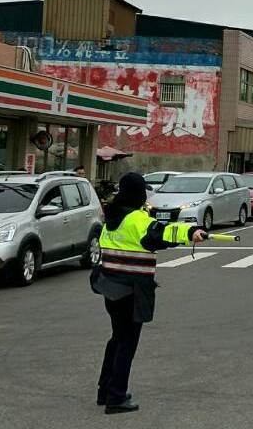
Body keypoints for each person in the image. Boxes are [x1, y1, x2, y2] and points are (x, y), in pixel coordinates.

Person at [91, 172, 207, 414]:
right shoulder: (136, 219)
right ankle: (116, 397)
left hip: (109, 288)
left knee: (116, 339)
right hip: (131, 290)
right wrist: (191, 232)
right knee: (126, 343)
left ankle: (105, 390)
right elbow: (163, 233)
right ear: (139, 193)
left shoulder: (111, 218)